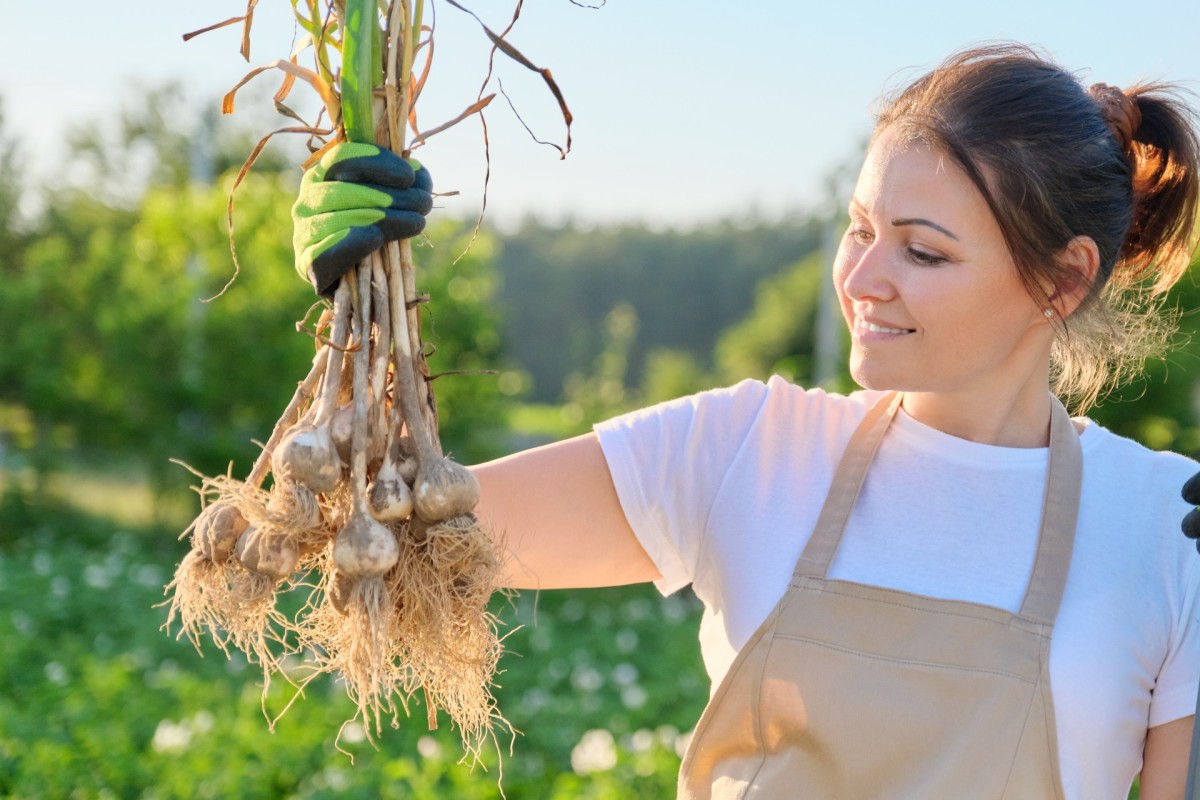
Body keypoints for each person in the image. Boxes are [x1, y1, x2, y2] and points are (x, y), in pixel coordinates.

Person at [293, 43, 1200, 800]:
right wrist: (357, 316)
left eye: (922, 250)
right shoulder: (749, 450)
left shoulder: (1169, 527)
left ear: (1065, 279)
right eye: (859, 229)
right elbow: (397, 535)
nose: (861, 279)